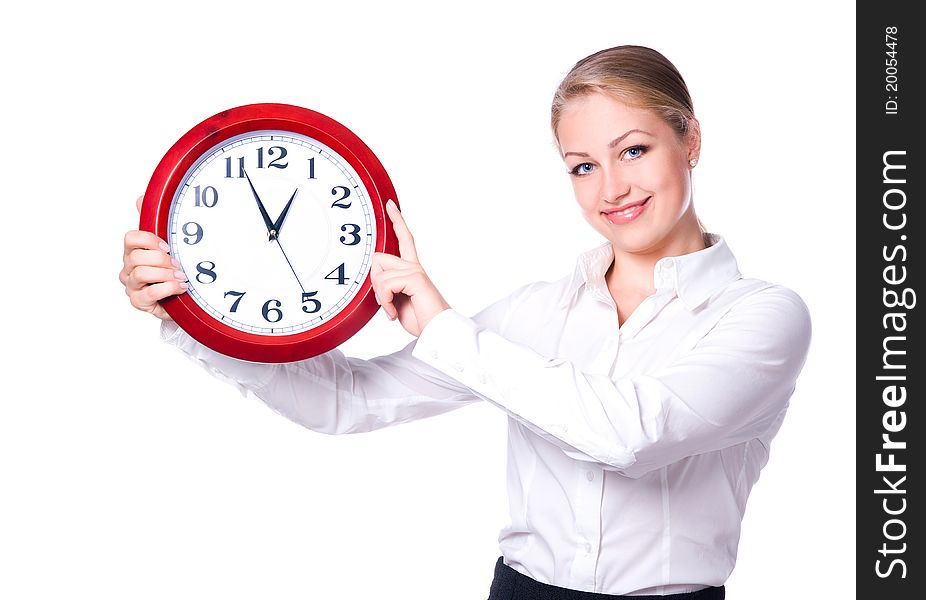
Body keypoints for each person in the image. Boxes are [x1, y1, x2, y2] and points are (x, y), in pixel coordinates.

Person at [120, 45, 811, 599]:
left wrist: (444, 329)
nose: (611, 190)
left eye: (634, 151)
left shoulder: (762, 317)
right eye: (582, 165)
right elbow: (347, 401)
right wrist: (189, 314)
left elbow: (631, 433)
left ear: (689, 140)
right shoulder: (539, 310)